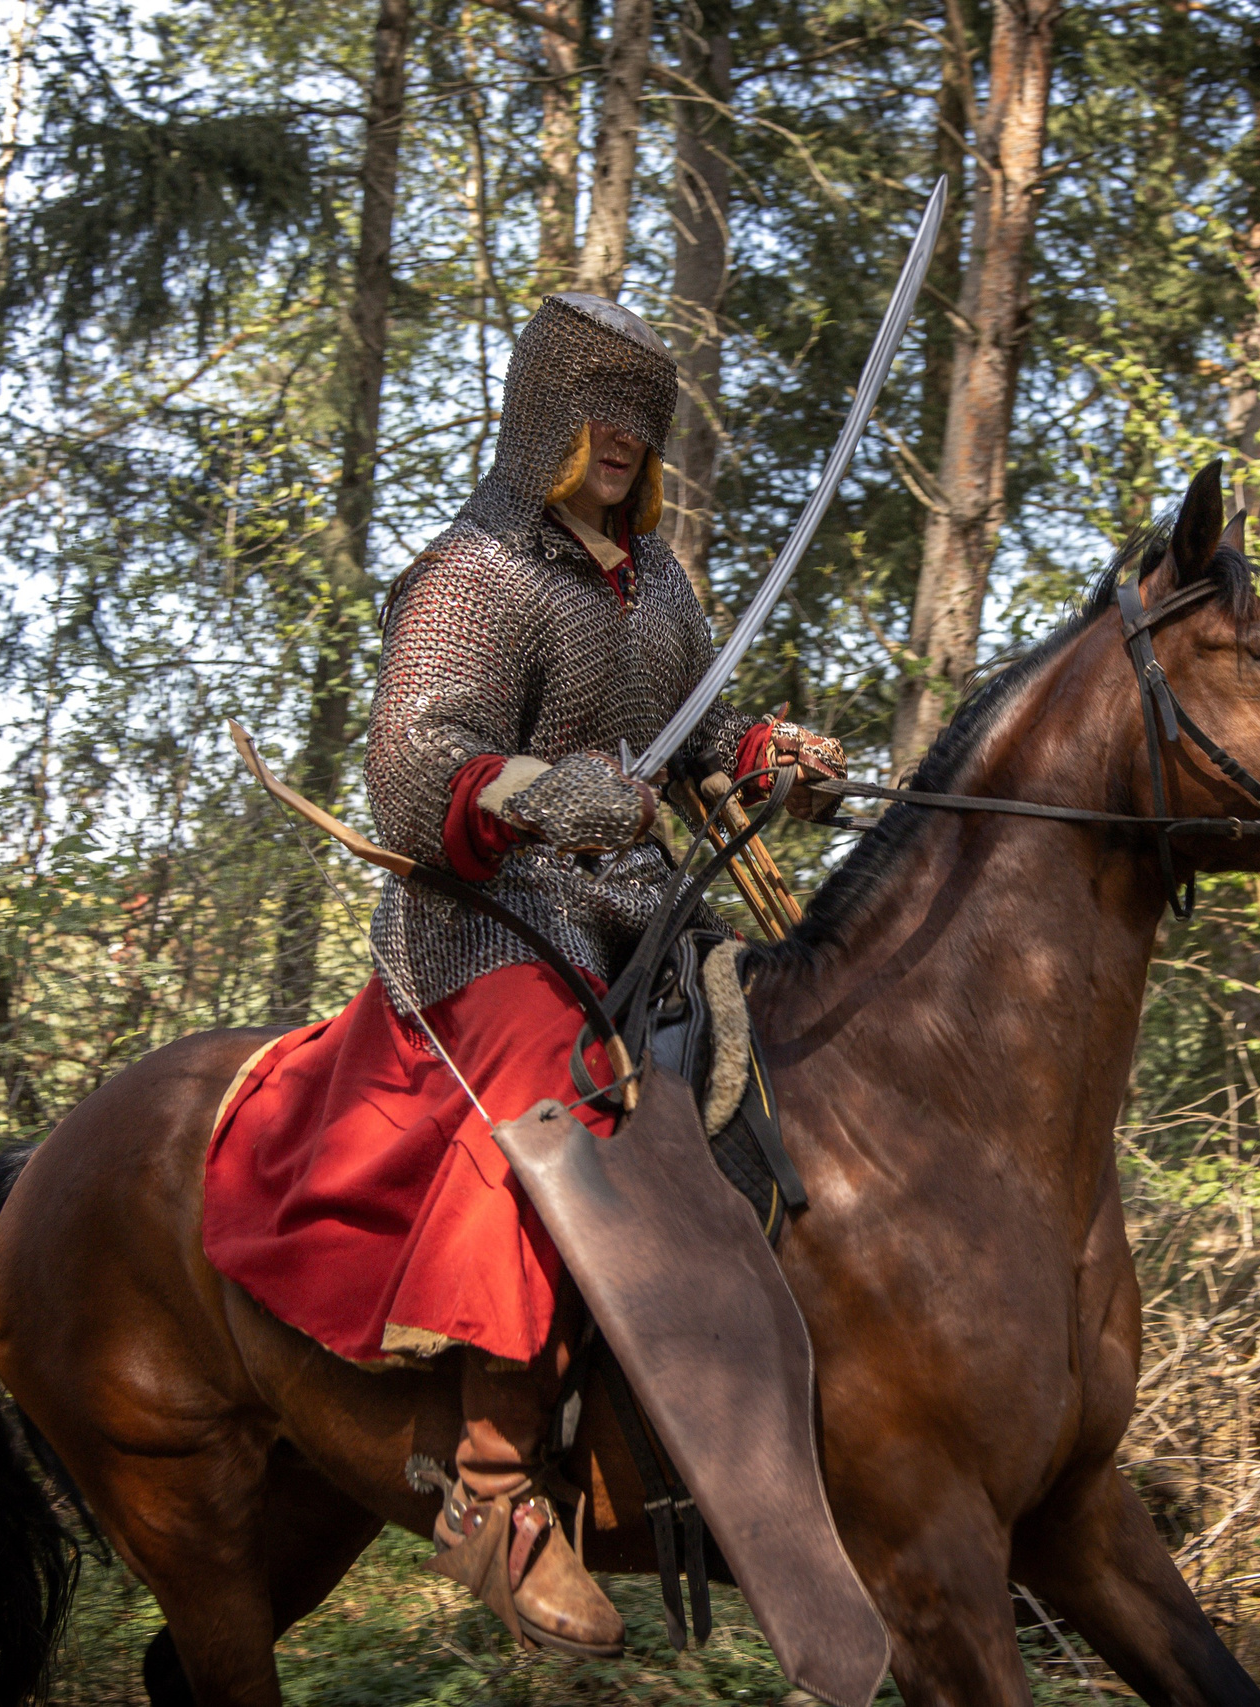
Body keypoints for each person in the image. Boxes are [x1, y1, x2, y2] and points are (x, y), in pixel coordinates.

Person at [203, 293, 841, 1656]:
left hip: (641, 912)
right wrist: (552, 794)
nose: (623, 442)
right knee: (555, 1116)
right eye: (600, 413)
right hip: (489, 919)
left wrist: (766, 748)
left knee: (794, 1058)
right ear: (544, 416)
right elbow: (418, 761)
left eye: (643, 421)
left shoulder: (656, 579)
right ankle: (493, 1491)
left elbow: (697, 724)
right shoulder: (474, 571)